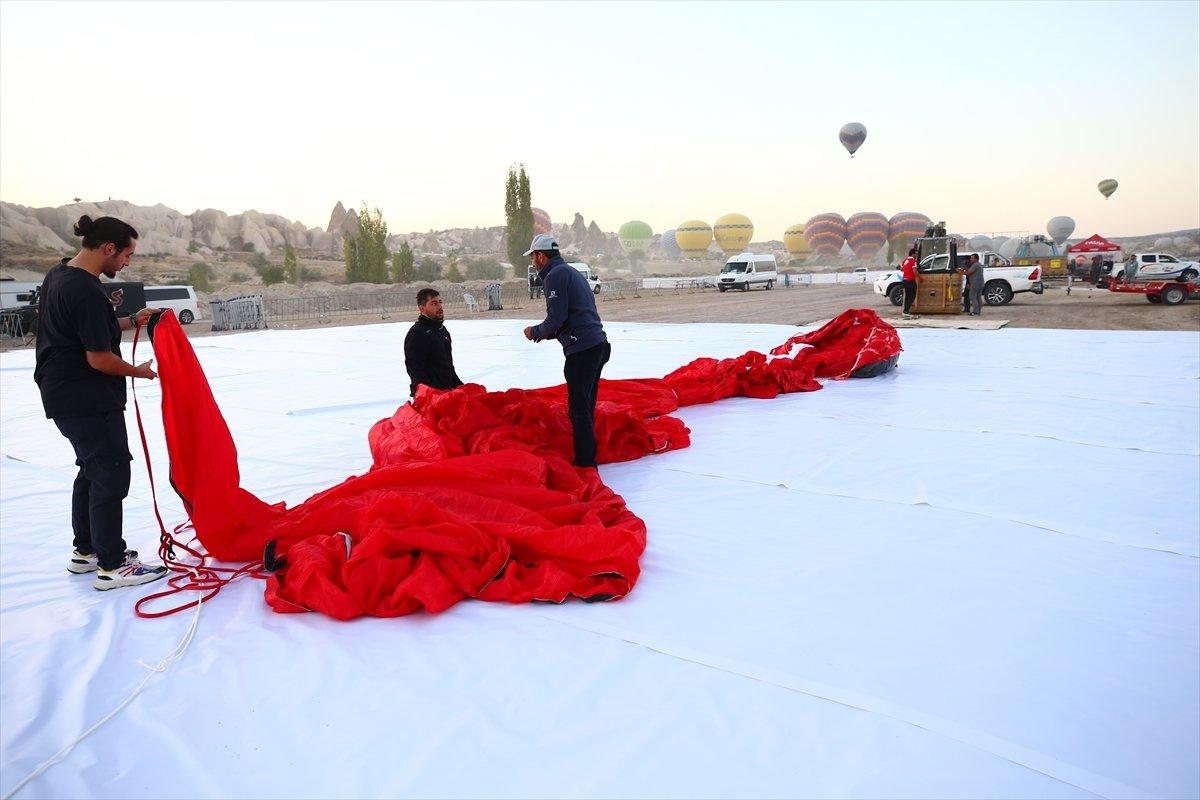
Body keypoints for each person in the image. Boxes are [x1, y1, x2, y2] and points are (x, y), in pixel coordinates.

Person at [34, 215, 168, 590]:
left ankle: (87, 551)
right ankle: (112, 565)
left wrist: (131, 320)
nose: (127, 263)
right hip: (85, 396)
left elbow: (91, 326)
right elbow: (99, 359)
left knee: (91, 469)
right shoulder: (87, 292)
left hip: (64, 393)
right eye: (126, 255)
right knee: (110, 473)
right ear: (108, 249)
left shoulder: (61, 275)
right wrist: (139, 371)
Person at [521, 233, 610, 468]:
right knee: (586, 405)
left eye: (533, 257)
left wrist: (535, 331)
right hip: (597, 344)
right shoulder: (570, 272)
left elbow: (556, 319)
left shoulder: (555, 276)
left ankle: (585, 462)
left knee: (578, 409)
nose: (532, 262)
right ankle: (589, 451)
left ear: (540, 256)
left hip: (582, 350)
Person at [404, 288, 463, 397]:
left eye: (440, 302)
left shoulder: (442, 330)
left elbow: (447, 365)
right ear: (422, 308)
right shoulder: (417, 333)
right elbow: (414, 368)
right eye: (434, 303)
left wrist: (459, 386)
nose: (440, 307)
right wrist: (427, 394)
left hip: (447, 392)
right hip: (431, 396)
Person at [900, 247, 918, 319]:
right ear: (913, 254)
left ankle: (905, 312)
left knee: (907, 296)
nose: (917, 255)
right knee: (912, 296)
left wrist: (907, 270)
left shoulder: (905, 260)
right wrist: (921, 278)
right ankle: (906, 312)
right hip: (910, 281)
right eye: (916, 254)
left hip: (905, 280)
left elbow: (901, 269)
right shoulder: (913, 260)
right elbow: (915, 271)